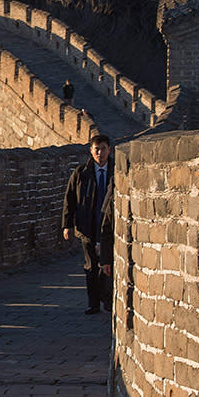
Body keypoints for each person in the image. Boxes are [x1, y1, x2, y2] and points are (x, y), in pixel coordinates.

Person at [62, 134, 114, 314]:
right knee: (91, 265)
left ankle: (107, 299)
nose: (100, 152)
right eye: (96, 149)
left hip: (110, 225)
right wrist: (67, 224)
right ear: (91, 151)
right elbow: (70, 198)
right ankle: (93, 303)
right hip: (87, 225)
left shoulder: (117, 171)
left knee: (107, 265)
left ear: (109, 149)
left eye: (103, 149)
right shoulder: (81, 173)